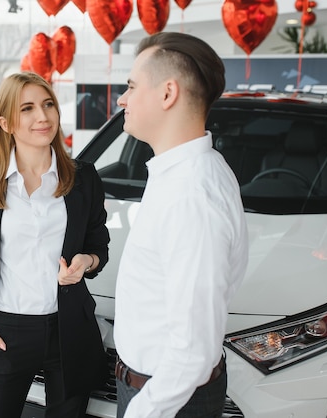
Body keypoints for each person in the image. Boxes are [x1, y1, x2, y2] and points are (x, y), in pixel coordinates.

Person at [0, 72, 110, 418]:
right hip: (4, 331)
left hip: (68, 330)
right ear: (5, 123)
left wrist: (86, 261)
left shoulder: (83, 179)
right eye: (28, 109)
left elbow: (99, 245)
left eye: (48, 105)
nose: (43, 117)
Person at [113, 32, 249, 417]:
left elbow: (193, 350)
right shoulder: (185, 172)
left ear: (168, 93)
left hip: (166, 402)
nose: (122, 99)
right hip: (159, 391)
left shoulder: (192, 195)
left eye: (132, 86)